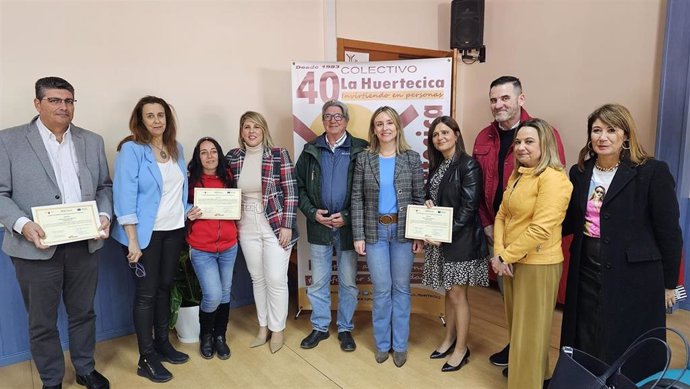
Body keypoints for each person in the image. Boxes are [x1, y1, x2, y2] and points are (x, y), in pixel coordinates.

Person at [0, 77, 112, 389]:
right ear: (37, 104)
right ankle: (51, 379)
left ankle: (85, 369)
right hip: (34, 247)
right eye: (54, 100)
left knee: (83, 313)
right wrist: (24, 225)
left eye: (69, 101)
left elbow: (104, 187)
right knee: (42, 321)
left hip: (83, 243)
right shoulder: (7, 140)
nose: (63, 107)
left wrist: (103, 215)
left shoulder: (91, 140)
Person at [560, 103, 682, 382]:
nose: (602, 137)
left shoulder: (651, 171)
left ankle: (630, 382)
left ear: (625, 135)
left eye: (611, 130)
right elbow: (568, 220)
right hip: (586, 262)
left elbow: (669, 232)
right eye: (596, 130)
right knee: (587, 328)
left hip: (635, 272)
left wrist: (670, 283)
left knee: (627, 332)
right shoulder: (579, 172)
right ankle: (589, 379)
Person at [472, 76, 566, 368]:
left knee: (531, 312)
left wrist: (508, 250)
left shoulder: (543, 133)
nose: (498, 105)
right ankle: (516, 348)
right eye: (493, 100)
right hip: (498, 232)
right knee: (510, 301)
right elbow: (477, 187)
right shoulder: (483, 138)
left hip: (532, 244)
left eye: (505, 99)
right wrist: (488, 226)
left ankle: (528, 362)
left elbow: (551, 185)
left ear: (520, 99)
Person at [112, 96, 190, 383]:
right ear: (140, 120)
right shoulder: (132, 151)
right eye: (150, 116)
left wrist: (192, 209)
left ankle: (162, 344)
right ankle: (146, 357)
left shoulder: (177, 148)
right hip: (144, 235)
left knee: (164, 287)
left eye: (161, 115)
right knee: (146, 294)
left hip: (173, 230)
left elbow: (176, 194)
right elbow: (124, 197)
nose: (157, 120)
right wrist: (132, 241)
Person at [489, 118, 571, 389]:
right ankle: (539, 377)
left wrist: (504, 257)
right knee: (519, 329)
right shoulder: (518, 174)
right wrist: (500, 253)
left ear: (544, 144)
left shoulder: (555, 180)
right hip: (512, 262)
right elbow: (501, 215)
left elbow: (540, 229)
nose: (521, 148)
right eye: (518, 142)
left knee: (530, 332)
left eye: (529, 142)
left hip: (538, 264)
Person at [351, 106, 424, 368]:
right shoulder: (364, 158)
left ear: (397, 127)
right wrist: (358, 234)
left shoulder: (411, 158)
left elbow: (417, 198)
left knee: (401, 288)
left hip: (403, 231)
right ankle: (383, 344)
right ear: (373, 129)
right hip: (374, 232)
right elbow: (356, 199)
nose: (385, 128)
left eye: (389, 123)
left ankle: (400, 345)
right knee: (381, 290)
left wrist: (419, 234)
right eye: (379, 123)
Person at [296, 100, 368, 352]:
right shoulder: (310, 149)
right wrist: (313, 213)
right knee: (318, 282)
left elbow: (368, 190)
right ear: (323, 120)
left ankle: (346, 328)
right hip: (319, 228)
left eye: (338, 116)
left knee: (348, 282)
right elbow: (299, 188)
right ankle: (320, 326)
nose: (333, 120)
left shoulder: (362, 149)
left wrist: (347, 216)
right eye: (328, 116)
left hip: (349, 229)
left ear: (346, 121)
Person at [226, 111, 298, 354]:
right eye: (247, 126)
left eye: (256, 126)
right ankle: (263, 326)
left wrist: (287, 225)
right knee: (257, 278)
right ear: (241, 131)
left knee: (276, 279)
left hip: (275, 224)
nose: (251, 131)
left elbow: (291, 192)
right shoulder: (233, 157)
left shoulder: (278, 155)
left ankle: (278, 329)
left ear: (263, 130)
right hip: (246, 224)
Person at [422, 116, 489, 373]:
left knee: (458, 295)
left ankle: (462, 348)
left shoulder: (468, 165)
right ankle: (449, 339)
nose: (440, 138)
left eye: (445, 132)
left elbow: (469, 208)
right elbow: (435, 195)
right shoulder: (439, 165)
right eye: (436, 135)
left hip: (460, 241)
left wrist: (446, 233)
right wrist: (429, 202)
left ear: (457, 134)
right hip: (441, 240)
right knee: (448, 293)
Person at [185, 137, 239, 360]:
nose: (209, 156)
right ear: (198, 157)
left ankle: (220, 336)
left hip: (228, 246)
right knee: (213, 294)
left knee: (225, 293)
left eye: (213, 151)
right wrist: (188, 210)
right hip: (201, 248)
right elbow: (176, 204)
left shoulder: (229, 178)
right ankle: (206, 335)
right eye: (204, 152)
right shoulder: (190, 181)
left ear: (219, 154)